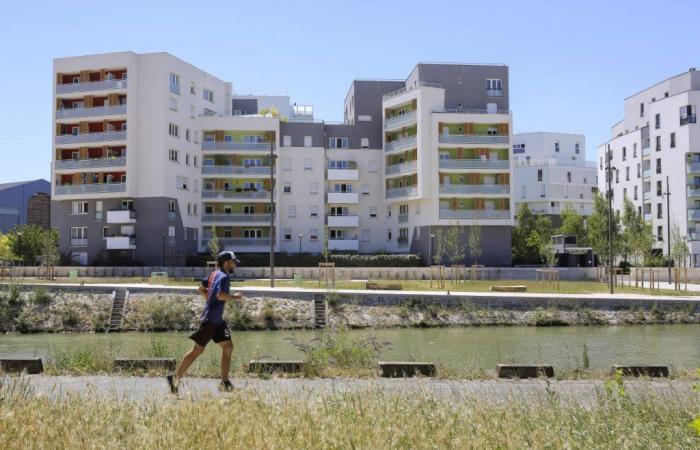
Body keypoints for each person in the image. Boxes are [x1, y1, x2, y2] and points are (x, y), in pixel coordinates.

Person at [167, 251, 244, 394]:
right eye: (233, 262)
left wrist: (210, 300)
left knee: (228, 346)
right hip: (210, 320)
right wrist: (235, 297)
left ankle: (224, 382)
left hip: (217, 320)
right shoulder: (225, 277)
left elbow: (201, 288)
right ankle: (174, 379)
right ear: (226, 262)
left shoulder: (214, 274)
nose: (234, 265)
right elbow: (220, 295)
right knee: (197, 350)